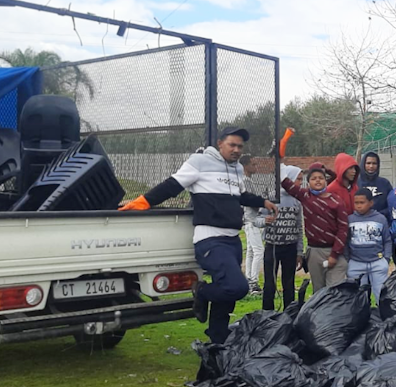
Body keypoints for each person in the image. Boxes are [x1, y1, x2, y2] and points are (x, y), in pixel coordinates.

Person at [118, 127, 277, 344]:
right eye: (232, 145)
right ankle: (201, 291)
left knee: (227, 296)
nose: (237, 150)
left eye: (240, 146)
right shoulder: (199, 162)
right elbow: (172, 185)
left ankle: (218, 340)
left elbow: (240, 196)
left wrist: (262, 202)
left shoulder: (237, 169)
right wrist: (142, 202)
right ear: (220, 143)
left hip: (232, 240)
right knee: (237, 287)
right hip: (210, 239)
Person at [280, 164, 349, 292]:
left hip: (334, 251)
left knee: (335, 292)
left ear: (325, 181)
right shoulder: (305, 196)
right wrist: (280, 162)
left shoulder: (337, 201)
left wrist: (334, 254)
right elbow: (287, 184)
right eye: (313, 178)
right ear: (308, 182)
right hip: (314, 252)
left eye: (320, 178)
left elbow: (343, 229)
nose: (317, 180)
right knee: (319, 292)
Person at [259, 164, 304, 311]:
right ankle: (267, 315)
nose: (299, 183)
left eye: (301, 180)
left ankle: (289, 314)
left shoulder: (297, 200)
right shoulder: (271, 196)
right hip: (272, 246)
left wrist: (299, 252)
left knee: (288, 284)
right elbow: (259, 218)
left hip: (290, 248)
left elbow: (298, 227)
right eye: (298, 179)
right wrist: (265, 220)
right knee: (269, 284)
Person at [346, 188, 392, 300]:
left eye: (362, 202)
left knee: (381, 295)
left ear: (371, 203)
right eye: (356, 203)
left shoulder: (380, 219)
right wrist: (348, 259)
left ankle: (383, 316)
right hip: (356, 263)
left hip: (377, 262)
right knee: (358, 297)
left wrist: (386, 259)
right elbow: (346, 241)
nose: (359, 206)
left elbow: (387, 240)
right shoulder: (349, 220)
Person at [240, 158, 266, 296]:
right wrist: (262, 203)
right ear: (245, 166)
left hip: (252, 219)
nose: (255, 166)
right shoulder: (245, 181)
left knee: (251, 251)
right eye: (253, 164)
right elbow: (250, 201)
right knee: (258, 251)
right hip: (251, 220)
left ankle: (250, 281)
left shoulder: (250, 181)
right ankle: (253, 282)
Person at [358, 152, 393, 218]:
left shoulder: (385, 183)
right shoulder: (356, 183)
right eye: (368, 163)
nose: (371, 166)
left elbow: (392, 205)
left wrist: (378, 215)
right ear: (363, 164)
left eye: (374, 163)